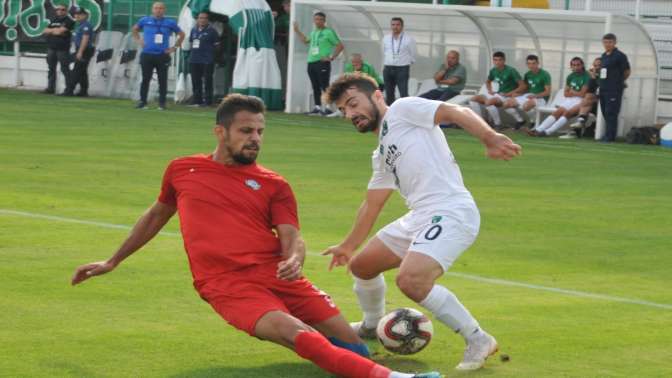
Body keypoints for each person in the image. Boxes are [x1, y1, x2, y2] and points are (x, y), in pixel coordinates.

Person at [71, 94, 439, 378]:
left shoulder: (272, 183)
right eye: (246, 131)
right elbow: (155, 216)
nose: (255, 139)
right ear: (221, 132)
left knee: (354, 352)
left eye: (260, 131)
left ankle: (368, 356)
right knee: (292, 331)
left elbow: (292, 235)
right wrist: (113, 260)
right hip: (226, 283)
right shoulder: (183, 170)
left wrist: (294, 258)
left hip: (278, 275)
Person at [322, 73, 521, 371]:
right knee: (362, 266)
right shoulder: (380, 152)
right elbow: (373, 203)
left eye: (353, 104)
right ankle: (373, 322)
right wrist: (348, 246)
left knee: (411, 280)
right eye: (343, 110)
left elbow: (456, 111)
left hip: (451, 210)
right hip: (419, 216)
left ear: (376, 96)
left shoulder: (402, 110)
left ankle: (478, 338)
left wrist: (489, 137)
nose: (350, 114)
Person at [132, 2, 185, 110]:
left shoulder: (169, 22)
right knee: (145, 79)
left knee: (162, 80)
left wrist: (173, 48)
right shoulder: (145, 20)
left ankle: (162, 103)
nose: (158, 10)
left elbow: (182, 34)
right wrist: (139, 40)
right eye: (156, 8)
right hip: (147, 54)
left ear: (164, 10)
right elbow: (134, 29)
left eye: (161, 8)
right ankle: (142, 102)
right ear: (152, 10)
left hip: (162, 55)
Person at [294, 12, 344, 116]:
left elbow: (340, 46)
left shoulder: (329, 32)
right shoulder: (314, 32)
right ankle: (317, 107)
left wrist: (332, 57)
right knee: (315, 86)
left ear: (324, 21)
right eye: (316, 19)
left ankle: (328, 108)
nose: (318, 21)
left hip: (322, 63)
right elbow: (305, 41)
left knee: (324, 86)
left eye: (320, 19)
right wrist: (297, 30)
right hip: (311, 62)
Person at [528, 57, 589, 137]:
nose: (576, 67)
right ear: (571, 66)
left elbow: (582, 94)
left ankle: (547, 132)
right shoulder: (570, 76)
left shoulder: (586, 76)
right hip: (570, 99)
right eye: (573, 65)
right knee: (557, 112)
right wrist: (574, 93)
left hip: (582, 100)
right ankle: (538, 130)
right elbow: (566, 94)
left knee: (567, 113)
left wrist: (573, 92)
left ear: (582, 65)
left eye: (578, 65)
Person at [469, 51, 523, 130]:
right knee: (473, 99)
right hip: (498, 94)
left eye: (499, 60)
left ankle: (498, 124)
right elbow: (488, 82)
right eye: (495, 60)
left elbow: (522, 86)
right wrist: (490, 90)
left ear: (504, 60)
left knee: (488, 102)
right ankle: (481, 121)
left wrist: (510, 93)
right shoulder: (493, 71)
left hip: (507, 97)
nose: (497, 62)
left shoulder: (511, 70)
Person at [501, 54, 551, 129]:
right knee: (506, 104)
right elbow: (527, 89)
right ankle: (520, 121)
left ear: (538, 63)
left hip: (541, 98)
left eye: (534, 63)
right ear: (527, 64)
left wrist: (535, 96)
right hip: (529, 95)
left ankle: (534, 122)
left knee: (526, 106)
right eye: (529, 63)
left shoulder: (545, 74)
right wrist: (519, 94)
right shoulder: (528, 74)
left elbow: (548, 92)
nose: (531, 66)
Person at [598, 33, 630, 142]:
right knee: (605, 112)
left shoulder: (620, 56)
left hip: (614, 89)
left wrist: (619, 81)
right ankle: (607, 134)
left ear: (615, 42)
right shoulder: (604, 55)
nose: (607, 44)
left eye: (610, 42)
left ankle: (610, 137)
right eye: (605, 42)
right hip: (603, 88)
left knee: (611, 112)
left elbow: (627, 71)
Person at [382, 17, 417, 105]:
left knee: (403, 93)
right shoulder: (386, 38)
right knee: (389, 93)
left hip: (402, 69)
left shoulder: (409, 39)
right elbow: (384, 51)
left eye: (397, 25)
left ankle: (405, 113)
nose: (395, 27)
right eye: (393, 25)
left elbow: (413, 54)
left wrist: (406, 63)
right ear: (391, 26)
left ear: (402, 26)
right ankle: (390, 114)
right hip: (388, 68)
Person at [42, 4, 75, 95]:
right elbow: (45, 30)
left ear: (66, 11)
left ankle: (69, 89)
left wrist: (53, 31)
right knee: (51, 69)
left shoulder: (69, 21)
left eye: (62, 9)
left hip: (62, 49)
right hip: (51, 48)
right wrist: (55, 31)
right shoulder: (54, 20)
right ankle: (50, 88)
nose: (60, 11)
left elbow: (60, 31)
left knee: (65, 69)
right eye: (58, 9)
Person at [63, 8, 96, 97]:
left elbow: (85, 39)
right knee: (82, 72)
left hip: (84, 50)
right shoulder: (80, 25)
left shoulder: (86, 25)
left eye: (80, 14)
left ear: (85, 15)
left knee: (76, 70)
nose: (77, 16)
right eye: (76, 14)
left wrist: (80, 52)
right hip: (81, 49)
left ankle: (69, 90)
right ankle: (83, 91)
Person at [189, 12, 219, 107]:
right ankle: (197, 101)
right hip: (194, 59)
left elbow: (217, 46)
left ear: (207, 20)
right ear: (197, 19)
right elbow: (191, 42)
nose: (202, 20)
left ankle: (208, 101)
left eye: (205, 18)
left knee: (207, 81)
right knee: (195, 80)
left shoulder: (212, 31)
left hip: (207, 60)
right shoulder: (193, 30)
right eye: (200, 18)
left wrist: (212, 56)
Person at [568, 57, 601, 138]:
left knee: (586, 100)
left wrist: (573, 92)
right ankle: (578, 125)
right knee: (586, 100)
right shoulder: (593, 76)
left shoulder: (607, 76)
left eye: (599, 65)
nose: (596, 67)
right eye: (595, 65)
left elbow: (585, 93)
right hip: (593, 103)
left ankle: (577, 129)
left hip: (603, 103)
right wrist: (593, 78)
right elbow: (590, 89)